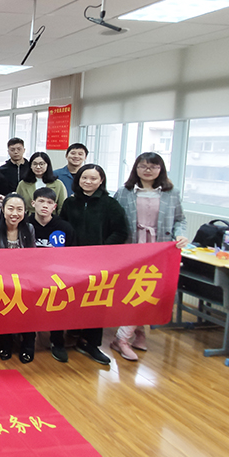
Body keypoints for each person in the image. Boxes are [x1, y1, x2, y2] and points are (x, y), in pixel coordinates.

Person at [111, 152, 188, 361]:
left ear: (160, 169)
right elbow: (114, 219)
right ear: (135, 168)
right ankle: (125, 337)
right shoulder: (124, 192)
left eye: (153, 166)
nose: (147, 170)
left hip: (159, 249)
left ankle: (127, 335)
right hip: (131, 249)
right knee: (133, 292)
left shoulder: (172, 193)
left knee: (150, 291)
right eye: (143, 166)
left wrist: (180, 234)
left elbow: (180, 220)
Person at [59, 164, 130, 365]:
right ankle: (71, 334)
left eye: (93, 178)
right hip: (72, 260)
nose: (88, 182)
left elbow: (121, 232)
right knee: (72, 297)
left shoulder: (110, 204)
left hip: (99, 261)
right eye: (84, 178)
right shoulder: (70, 203)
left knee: (96, 301)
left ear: (101, 181)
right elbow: (63, 228)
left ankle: (91, 343)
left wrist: (102, 248)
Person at [0, 193, 38, 364]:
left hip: (25, 279)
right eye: (11, 208)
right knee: (4, 305)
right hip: (1, 279)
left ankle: (28, 344)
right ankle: (5, 342)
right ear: (3, 210)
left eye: (19, 209)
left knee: (29, 307)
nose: (15, 213)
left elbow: (33, 256)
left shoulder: (29, 228)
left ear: (25, 211)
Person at [27, 187, 77, 363]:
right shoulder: (25, 225)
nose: (44, 206)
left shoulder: (64, 227)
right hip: (29, 276)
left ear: (54, 206)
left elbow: (73, 255)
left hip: (57, 276)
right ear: (33, 203)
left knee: (58, 305)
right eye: (41, 201)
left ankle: (58, 342)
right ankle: (28, 341)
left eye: (49, 202)